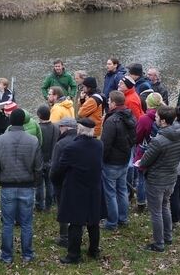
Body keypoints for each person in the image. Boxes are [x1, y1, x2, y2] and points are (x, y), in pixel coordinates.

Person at [0, 108, 43, 264]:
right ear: (24, 122)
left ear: (10, 121)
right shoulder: (33, 140)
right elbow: (38, 167)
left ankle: (6, 256)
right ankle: (27, 254)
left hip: (7, 187)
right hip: (27, 187)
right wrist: (34, 182)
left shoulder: (0, 140)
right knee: (27, 222)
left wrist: (0, 180)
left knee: (7, 223)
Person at [51, 118, 104, 264]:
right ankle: (93, 250)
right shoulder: (99, 145)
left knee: (75, 223)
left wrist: (57, 181)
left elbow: (59, 170)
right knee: (93, 222)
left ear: (79, 130)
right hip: (94, 188)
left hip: (75, 189)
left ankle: (74, 255)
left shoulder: (71, 148)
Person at [139, 106, 180, 252]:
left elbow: (145, 162)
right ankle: (168, 236)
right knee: (165, 206)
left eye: (157, 117)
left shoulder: (158, 140)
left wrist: (141, 161)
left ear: (163, 121)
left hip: (156, 180)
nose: (155, 119)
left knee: (156, 212)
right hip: (171, 177)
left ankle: (159, 244)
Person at [100, 91, 136, 231]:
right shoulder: (130, 116)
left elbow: (105, 144)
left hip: (111, 162)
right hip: (125, 159)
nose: (108, 102)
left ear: (114, 103)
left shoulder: (112, 121)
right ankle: (123, 218)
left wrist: (101, 159)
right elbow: (134, 138)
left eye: (109, 101)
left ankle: (111, 223)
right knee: (122, 190)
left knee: (110, 193)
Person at [133, 93, 164, 213]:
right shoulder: (165, 115)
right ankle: (156, 201)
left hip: (145, 151)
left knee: (141, 178)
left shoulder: (144, 118)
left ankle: (141, 202)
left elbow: (138, 136)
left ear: (148, 103)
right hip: (161, 151)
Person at [50, 118, 78, 247]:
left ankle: (64, 237)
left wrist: (53, 180)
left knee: (63, 209)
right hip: (78, 181)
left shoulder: (60, 144)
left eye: (60, 127)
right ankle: (76, 235)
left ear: (65, 127)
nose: (59, 130)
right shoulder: (81, 140)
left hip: (62, 182)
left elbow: (55, 167)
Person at [36, 105, 60, 212]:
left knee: (39, 185)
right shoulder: (56, 127)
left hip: (40, 160)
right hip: (52, 159)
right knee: (49, 184)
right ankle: (48, 206)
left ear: (39, 115)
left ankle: (39, 205)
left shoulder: (38, 128)